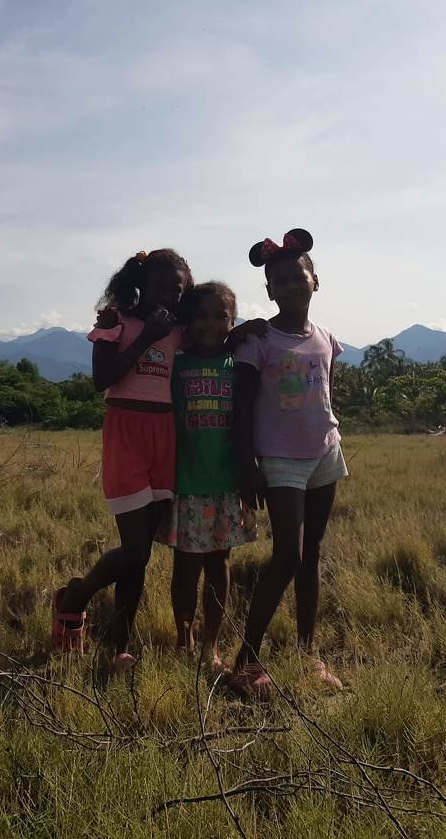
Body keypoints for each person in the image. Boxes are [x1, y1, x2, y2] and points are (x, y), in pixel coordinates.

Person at [52, 249, 192, 672]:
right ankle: (74, 595)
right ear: (142, 284)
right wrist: (147, 336)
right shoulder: (117, 321)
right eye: (162, 287)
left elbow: (215, 333)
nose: (169, 295)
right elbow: (102, 380)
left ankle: (119, 647)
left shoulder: (179, 329)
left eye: (177, 290)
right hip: (126, 433)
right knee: (135, 552)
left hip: (165, 436)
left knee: (142, 553)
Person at [228, 228, 348, 699]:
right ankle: (246, 661)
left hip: (325, 453)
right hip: (279, 461)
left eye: (298, 277)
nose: (291, 286)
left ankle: (307, 653)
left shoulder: (326, 339)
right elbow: (240, 407)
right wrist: (246, 465)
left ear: (315, 280)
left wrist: (328, 437)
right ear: (269, 290)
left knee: (311, 554)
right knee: (287, 557)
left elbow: (325, 393)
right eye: (279, 281)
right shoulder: (258, 340)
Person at [154, 282, 257, 672]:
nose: (210, 324)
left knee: (220, 566)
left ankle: (209, 646)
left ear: (233, 321)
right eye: (201, 315)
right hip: (186, 485)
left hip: (227, 485)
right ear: (187, 320)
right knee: (185, 569)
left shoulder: (239, 367)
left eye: (221, 316)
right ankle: (185, 639)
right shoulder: (176, 366)